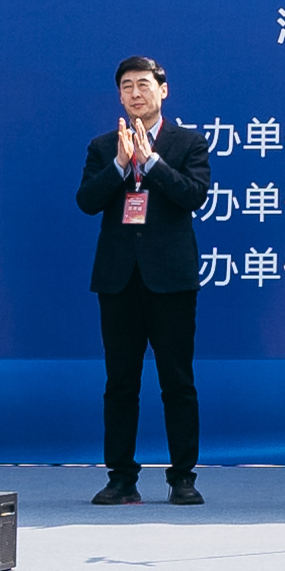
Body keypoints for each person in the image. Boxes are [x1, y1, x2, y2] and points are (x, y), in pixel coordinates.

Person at [79, 54, 213, 506]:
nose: (135, 93)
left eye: (143, 85)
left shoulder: (187, 143)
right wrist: (120, 165)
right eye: (127, 87)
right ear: (119, 96)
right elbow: (87, 201)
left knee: (178, 381)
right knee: (120, 382)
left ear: (163, 90)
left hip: (170, 279)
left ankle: (183, 477)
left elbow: (193, 195)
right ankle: (121, 477)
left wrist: (150, 162)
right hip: (118, 278)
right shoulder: (103, 146)